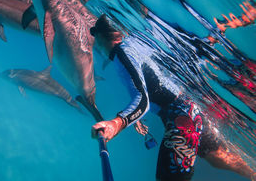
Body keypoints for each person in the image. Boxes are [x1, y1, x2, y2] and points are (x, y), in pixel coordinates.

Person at [90, 14, 256, 181]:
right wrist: (214, 36)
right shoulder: (138, 41)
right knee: (217, 156)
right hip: (190, 110)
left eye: (95, 37)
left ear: (101, 36)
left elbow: (143, 100)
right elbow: (178, 60)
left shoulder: (122, 53)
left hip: (179, 117)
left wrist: (117, 123)